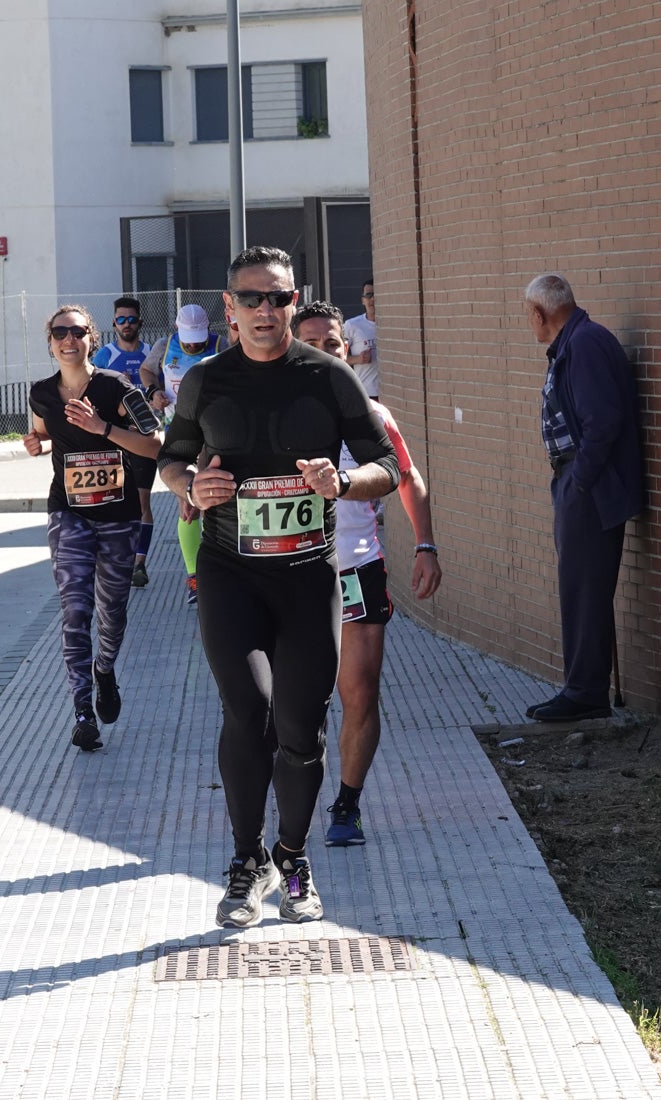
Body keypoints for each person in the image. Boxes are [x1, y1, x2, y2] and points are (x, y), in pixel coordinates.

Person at [156, 246, 400, 926]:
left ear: (296, 301)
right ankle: (245, 860)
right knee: (246, 712)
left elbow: (386, 463)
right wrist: (190, 485)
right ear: (229, 306)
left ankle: (292, 856)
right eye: (252, 298)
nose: (267, 310)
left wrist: (343, 482)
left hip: (305, 578)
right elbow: (173, 459)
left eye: (280, 298)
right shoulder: (205, 382)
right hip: (231, 573)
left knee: (298, 728)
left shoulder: (327, 377)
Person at [291, 301, 442, 844]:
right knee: (296, 699)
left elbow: (408, 478)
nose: (323, 353)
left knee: (359, 691)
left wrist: (425, 544)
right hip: (290, 574)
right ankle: (294, 796)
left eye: (332, 344)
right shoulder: (270, 415)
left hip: (356, 566)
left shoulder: (374, 418)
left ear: (347, 351)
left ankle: (347, 806)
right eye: (310, 344)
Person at [24, 304, 162, 751]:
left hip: (119, 517)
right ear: (50, 342)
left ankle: (105, 668)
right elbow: (46, 430)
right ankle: (82, 713)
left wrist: (104, 428)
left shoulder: (116, 387)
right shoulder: (42, 393)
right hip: (68, 513)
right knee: (75, 611)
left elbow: (156, 442)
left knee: (113, 613)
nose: (68, 339)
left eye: (77, 331)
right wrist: (37, 440)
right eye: (59, 332)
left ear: (91, 339)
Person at [523, 274, 643, 722]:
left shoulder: (586, 343)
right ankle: (584, 687)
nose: (528, 324)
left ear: (539, 313)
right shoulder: (575, 342)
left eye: (527, 316)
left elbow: (604, 421)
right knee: (580, 587)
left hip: (590, 486)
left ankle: (585, 692)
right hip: (578, 481)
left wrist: (580, 481)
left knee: (584, 588)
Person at [140, 304, 228, 604]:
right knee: (187, 499)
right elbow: (146, 370)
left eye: (197, 340)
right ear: (177, 329)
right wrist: (153, 393)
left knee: (212, 496)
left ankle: (220, 570)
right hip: (179, 431)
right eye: (187, 339)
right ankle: (194, 577)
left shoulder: (221, 344)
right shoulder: (165, 346)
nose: (192, 345)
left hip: (215, 430)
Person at [93, 296, 155, 588]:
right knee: (115, 501)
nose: (126, 324)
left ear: (140, 322)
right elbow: (92, 396)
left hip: (143, 440)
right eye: (121, 319)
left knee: (143, 500)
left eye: (131, 319)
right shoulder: (104, 356)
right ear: (114, 323)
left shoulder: (152, 353)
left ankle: (138, 565)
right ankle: (116, 561)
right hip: (115, 441)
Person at [344, 277, 378, 398]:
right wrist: (358, 359)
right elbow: (336, 357)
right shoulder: (352, 325)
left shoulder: (391, 324)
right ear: (362, 300)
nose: (373, 299)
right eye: (369, 295)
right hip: (366, 394)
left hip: (391, 393)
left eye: (376, 295)